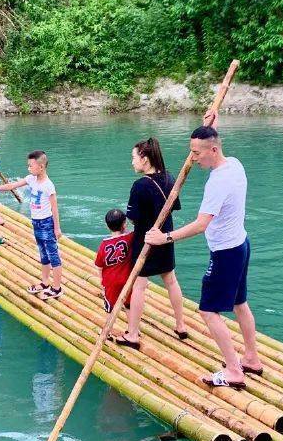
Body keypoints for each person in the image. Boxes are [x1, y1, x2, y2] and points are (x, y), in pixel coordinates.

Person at [146, 114, 263, 389]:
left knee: (208, 311)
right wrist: (211, 125)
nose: (192, 158)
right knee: (239, 303)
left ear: (212, 150)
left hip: (225, 253)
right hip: (241, 245)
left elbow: (201, 225)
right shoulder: (234, 164)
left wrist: (165, 238)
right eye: (191, 152)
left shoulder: (217, 182)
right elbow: (213, 142)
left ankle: (234, 371)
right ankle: (252, 358)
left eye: (196, 153)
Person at [113, 137, 188, 348]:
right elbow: (174, 207)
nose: (132, 162)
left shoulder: (140, 186)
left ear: (145, 159)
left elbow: (133, 217)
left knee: (139, 286)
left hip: (146, 240)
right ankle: (181, 325)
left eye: (134, 158)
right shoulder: (170, 178)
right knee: (171, 280)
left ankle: (133, 334)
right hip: (165, 237)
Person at [0, 150, 63, 300]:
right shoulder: (31, 179)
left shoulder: (48, 185)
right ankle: (45, 282)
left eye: (31, 166)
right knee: (43, 254)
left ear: (41, 167)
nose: (28, 168)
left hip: (47, 223)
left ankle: (57, 287)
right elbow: (12, 186)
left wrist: (57, 228)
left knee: (53, 255)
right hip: (36, 222)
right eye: (28, 165)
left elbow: (55, 208)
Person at [94, 208, 133, 313]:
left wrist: (102, 282)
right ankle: (132, 329)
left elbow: (99, 267)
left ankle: (109, 329)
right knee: (129, 305)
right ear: (125, 224)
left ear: (107, 226)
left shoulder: (104, 244)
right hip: (127, 280)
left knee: (110, 307)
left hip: (110, 282)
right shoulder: (130, 238)